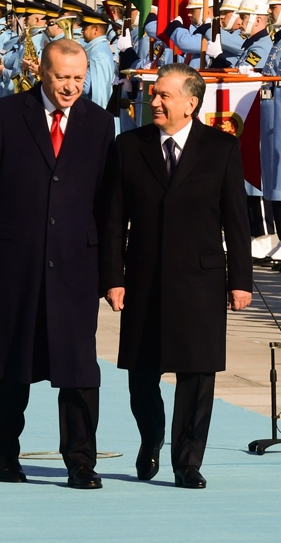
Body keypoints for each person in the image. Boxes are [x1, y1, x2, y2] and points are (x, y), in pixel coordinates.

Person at [0, 39, 115, 490]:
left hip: (74, 264)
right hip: (13, 260)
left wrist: (112, 273)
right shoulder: (5, 115)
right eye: (61, 77)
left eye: (78, 78)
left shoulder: (100, 123)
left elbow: (107, 204)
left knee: (80, 368)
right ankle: (4, 454)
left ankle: (81, 461)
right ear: (41, 72)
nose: (70, 87)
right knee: (13, 363)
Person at [100, 62, 253, 489]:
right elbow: (113, 221)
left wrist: (241, 279)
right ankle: (151, 438)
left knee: (198, 375)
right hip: (144, 279)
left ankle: (187, 461)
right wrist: (113, 277)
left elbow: (236, 220)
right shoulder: (129, 147)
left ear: (191, 102)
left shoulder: (220, 148)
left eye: (164, 95)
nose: (154, 101)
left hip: (200, 281)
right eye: (154, 94)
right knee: (141, 373)